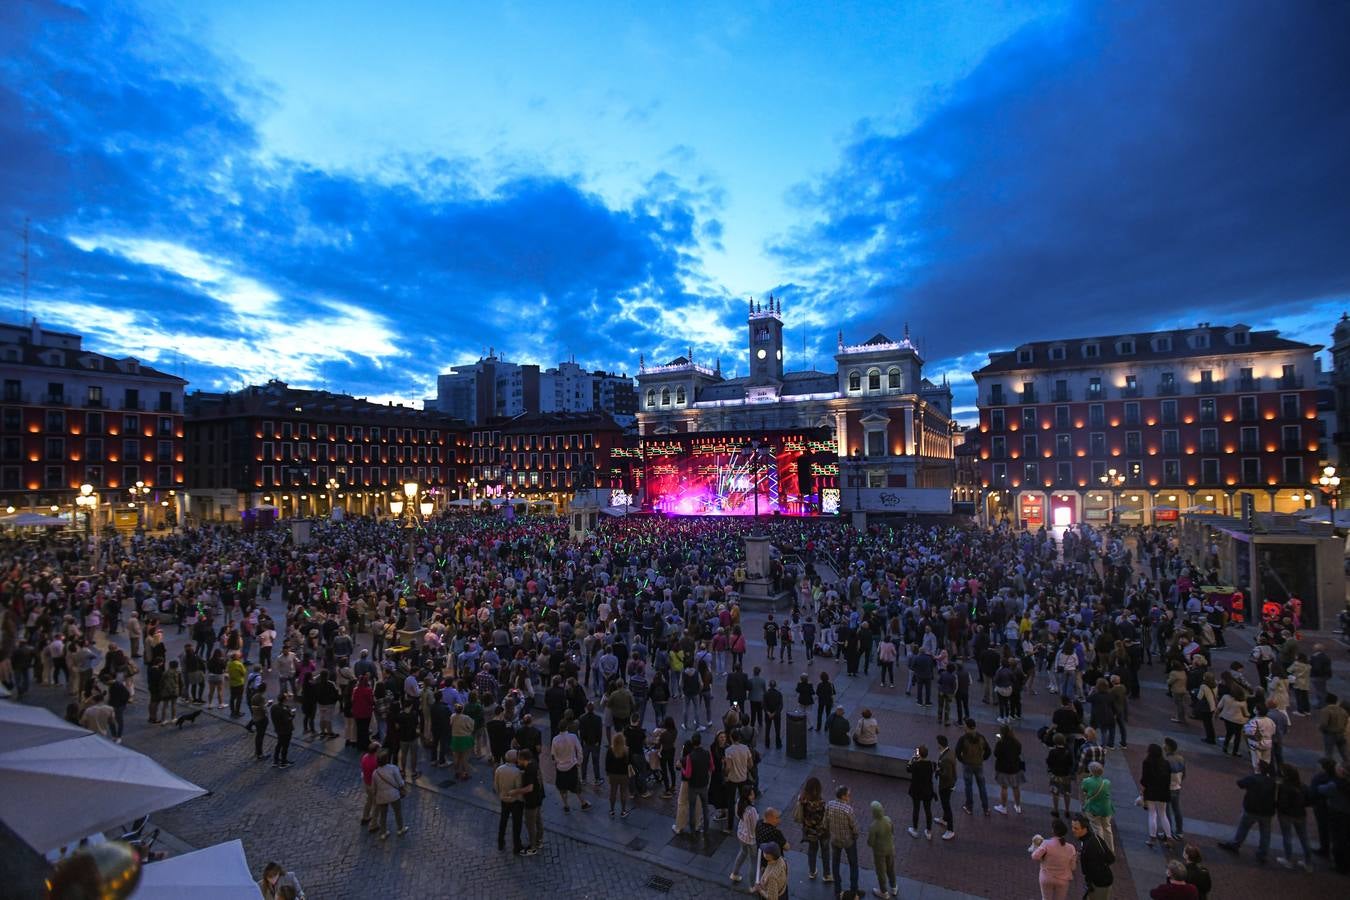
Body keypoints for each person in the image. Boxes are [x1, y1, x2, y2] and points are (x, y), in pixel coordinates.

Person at [1217, 760, 1277, 864]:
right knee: (1265, 834)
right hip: (1267, 812)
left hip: (1251, 809)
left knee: (1243, 828)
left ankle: (1236, 844)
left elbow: (1240, 783)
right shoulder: (1272, 782)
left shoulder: (1253, 778)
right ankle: (1263, 853)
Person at [1275, 762, 1314, 871]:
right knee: (1304, 838)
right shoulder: (1302, 786)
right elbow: (1309, 800)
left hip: (1286, 815)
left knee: (1287, 837)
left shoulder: (1284, 787)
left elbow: (1282, 803)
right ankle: (1308, 863)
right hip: (1300, 814)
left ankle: (1288, 860)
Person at [793, 775, 831, 881]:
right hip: (822, 832)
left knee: (812, 850)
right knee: (825, 851)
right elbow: (824, 818)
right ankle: (827, 874)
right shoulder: (821, 803)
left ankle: (812, 871)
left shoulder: (803, 800)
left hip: (810, 831)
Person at [1030, 817, 1077, 900]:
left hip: (1046, 877)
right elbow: (1073, 867)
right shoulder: (1071, 848)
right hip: (1063, 880)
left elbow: (1034, 856)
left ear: (1053, 830)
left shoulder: (1046, 844)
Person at [826, 785, 860, 898]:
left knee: (835, 864)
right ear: (843, 796)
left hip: (835, 840)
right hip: (848, 841)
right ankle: (854, 891)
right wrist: (855, 836)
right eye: (848, 795)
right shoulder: (848, 809)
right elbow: (854, 827)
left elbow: (825, 822)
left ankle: (837, 890)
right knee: (853, 864)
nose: (849, 797)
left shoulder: (829, 805)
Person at [1072, 813, 1115, 900]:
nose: (1073, 830)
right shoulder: (1094, 837)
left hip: (1099, 883)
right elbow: (1111, 858)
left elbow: (1091, 869)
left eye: (1076, 828)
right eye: (1072, 827)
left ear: (1085, 829)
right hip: (1101, 880)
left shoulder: (1089, 846)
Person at [1139, 742, 1174, 848]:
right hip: (1163, 791)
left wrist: (1143, 789)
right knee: (1163, 815)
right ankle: (1169, 838)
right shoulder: (1166, 763)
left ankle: (1152, 838)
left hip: (1151, 791)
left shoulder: (1147, 762)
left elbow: (1144, 778)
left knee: (1152, 814)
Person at [954, 718, 991, 816]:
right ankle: (986, 808)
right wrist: (982, 759)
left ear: (968, 727)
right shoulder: (981, 737)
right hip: (978, 764)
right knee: (982, 786)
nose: (964, 727)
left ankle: (969, 807)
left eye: (965, 725)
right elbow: (988, 751)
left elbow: (957, 752)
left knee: (968, 786)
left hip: (968, 765)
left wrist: (962, 760)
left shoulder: (963, 739)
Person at [370, 749, 409, 840]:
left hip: (381, 796)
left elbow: (373, 787)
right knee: (397, 812)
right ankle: (400, 828)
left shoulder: (375, 773)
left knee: (383, 815)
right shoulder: (393, 768)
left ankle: (383, 832)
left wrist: (375, 795)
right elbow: (400, 782)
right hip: (393, 795)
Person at [494, 749, 526, 853]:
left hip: (504, 799)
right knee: (517, 824)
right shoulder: (516, 772)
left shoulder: (499, 769)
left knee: (503, 820)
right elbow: (518, 788)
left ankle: (500, 841)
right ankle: (517, 845)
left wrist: (501, 794)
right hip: (515, 801)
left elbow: (496, 786)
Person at [681, 732, 713, 834]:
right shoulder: (707, 753)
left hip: (693, 786)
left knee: (692, 808)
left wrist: (682, 768)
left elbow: (688, 775)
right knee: (705, 808)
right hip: (704, 785)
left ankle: (692, 829)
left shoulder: (690, 756)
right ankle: (706, 829)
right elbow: (712, 767)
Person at [1080, 761, 1115, 850]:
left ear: (1091, 771)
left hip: (1093, 808)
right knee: (1107, 828)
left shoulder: (1086, 781)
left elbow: (1084, 791)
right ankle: (1111, 849)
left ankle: (1100, 849)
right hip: (1106, 809)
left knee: (1097, 829)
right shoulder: (1107, 782)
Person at [729, 785, 761, 883]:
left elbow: (737, 815)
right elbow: (755, 827)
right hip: (751, 840)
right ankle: (752, 885)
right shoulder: (752, 811)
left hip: (741, 834)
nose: (754, 795)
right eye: (751, 794)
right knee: (753, 861)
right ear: (747, 796)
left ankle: (734, 873)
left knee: (742, 853)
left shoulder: (739, 802)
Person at [993, 722, 1025, 815]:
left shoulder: (1001, 743)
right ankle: (1018, 806)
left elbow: (996, 754)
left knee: (1004, 787)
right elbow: (1019, 752)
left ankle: (1003, 806)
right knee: (1016, 787)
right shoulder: (1016, 742)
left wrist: (997, 742)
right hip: (1015, 767)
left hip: (1003, 768)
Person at [518, 748, 545, 854]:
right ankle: (539, 841)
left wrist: (515, 791)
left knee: (530, 823)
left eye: (519, 759)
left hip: (531, 800)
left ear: (522, 759)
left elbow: (529, 788)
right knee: (538, 820)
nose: (518, 762)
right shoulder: (534, 763)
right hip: (539, 797)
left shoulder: (528, 770)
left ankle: (532, 847)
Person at [867, 800, 897, 899]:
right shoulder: (888, 819)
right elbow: (892, 831)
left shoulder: (873, 826)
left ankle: (883, 892)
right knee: (891, 868)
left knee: (881, 872)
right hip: (890, 848)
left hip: (879, 852)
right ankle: (894, 887)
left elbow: (870, 843)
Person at [906, 744, 936, 839]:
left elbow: (908, 768)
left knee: (916, 809)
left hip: (916, 790)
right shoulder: (932, 764)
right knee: (928, 810)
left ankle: (915, 829)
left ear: (919, 754)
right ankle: (929, 831)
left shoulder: (915, 765)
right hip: (927, 790)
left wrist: (913, 758)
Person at [606, 732, 633, 817]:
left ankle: (612, 810)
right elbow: (630, 762)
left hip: (613, 775)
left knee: (613, 792)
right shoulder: (627, 750)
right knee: (623, 793)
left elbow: (607, 763)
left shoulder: (610, 750)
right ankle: (623, 811)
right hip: (624, 775)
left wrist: (608, 772)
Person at [270, 691, 294, 768]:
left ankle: (275, 760)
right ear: (284, 700)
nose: (288, 698)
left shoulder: (274, 707)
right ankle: (283, 762)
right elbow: (287, 720)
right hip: (286, 730)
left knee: (279, 744)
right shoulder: (283, 709)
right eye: (287, 697)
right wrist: (292, 715)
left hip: (278, 729)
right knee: (285, 746)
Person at [360, 741, 381, 825]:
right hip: (373, 785)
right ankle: (374, 823)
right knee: (376, 804)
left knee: (369, 800)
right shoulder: (375, 762)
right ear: (376, 751)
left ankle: (365, 816)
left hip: (366, 782)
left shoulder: (365, 757)